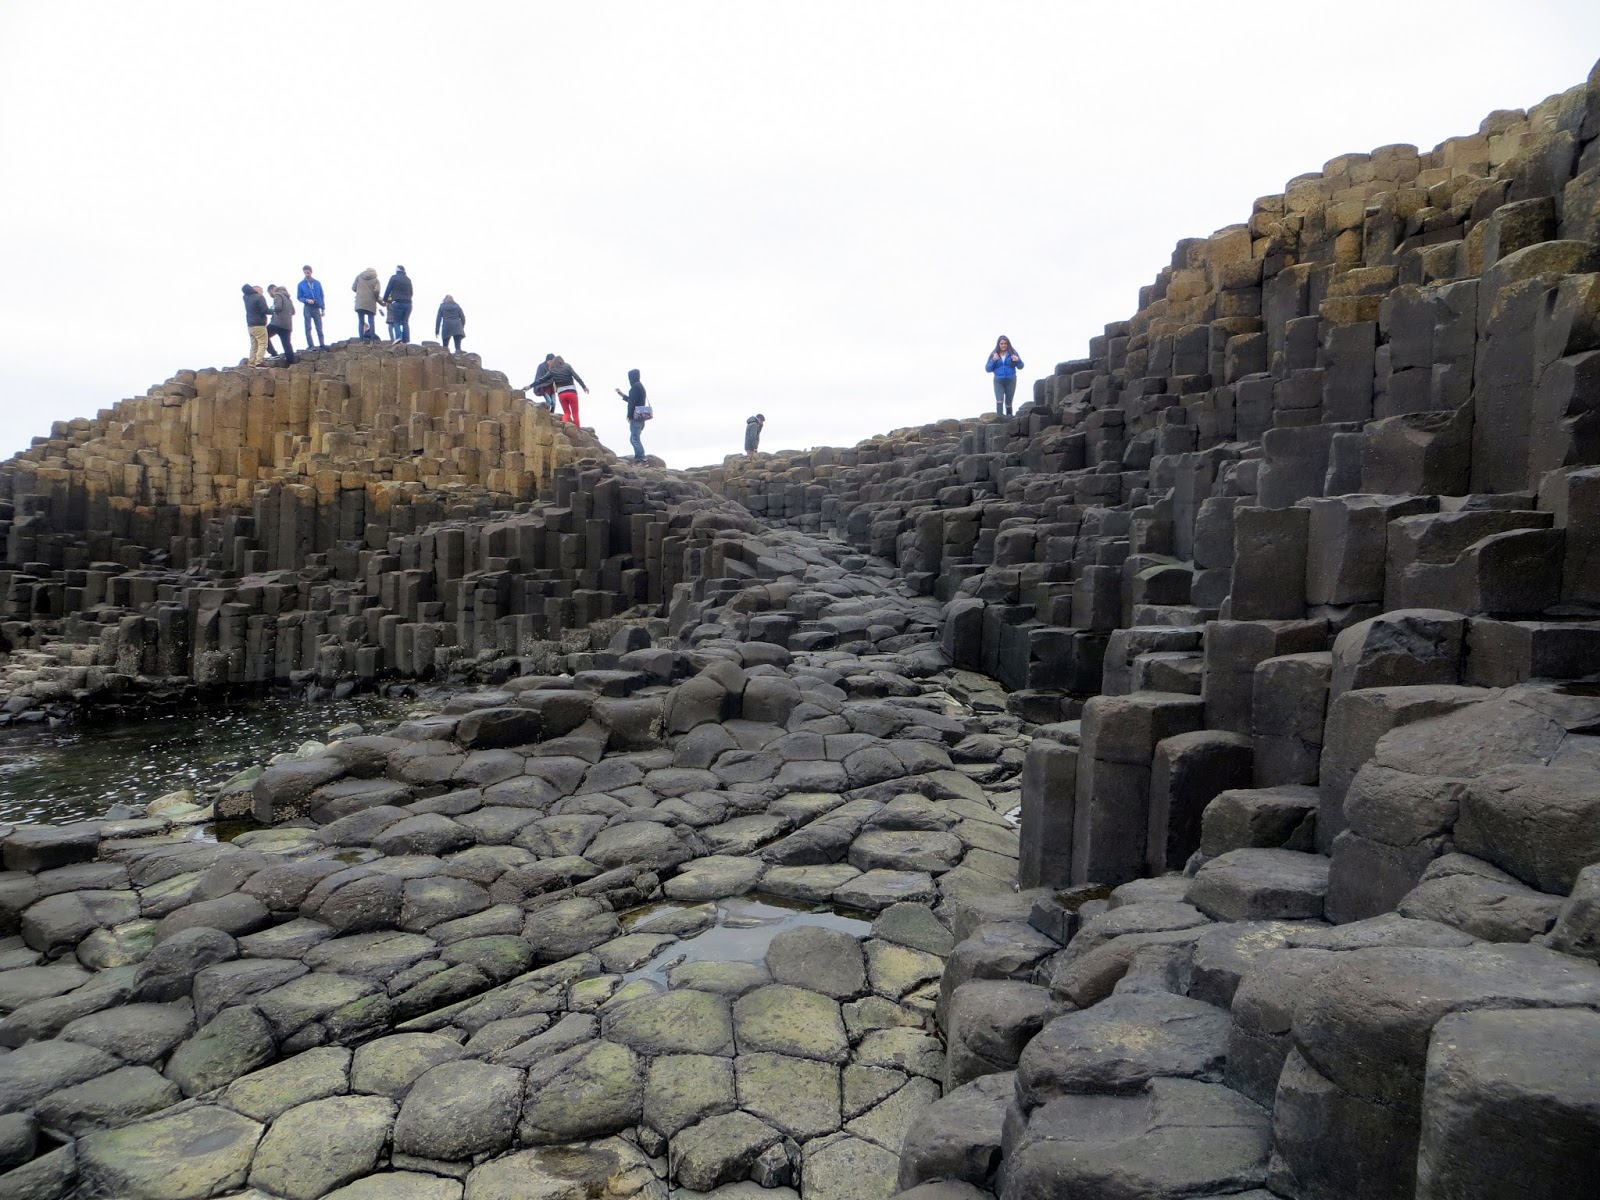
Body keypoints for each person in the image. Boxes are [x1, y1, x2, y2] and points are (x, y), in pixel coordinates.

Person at [985, 335, 1024, 416]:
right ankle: (1000, 418)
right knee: (999, 400)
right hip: (998, 380)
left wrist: (1018, 360)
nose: (1003, 345)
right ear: (998, 344)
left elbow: (1021, 366)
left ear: (1008, 344)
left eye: (1005, 343)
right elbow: (988, 369)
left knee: (1009, 402)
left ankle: (1009, 420)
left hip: (1011, 379)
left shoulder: (1013, 353)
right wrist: (993, 360)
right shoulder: (994, 354)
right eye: (1001, 343)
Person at [616, 368, 647, 463]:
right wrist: (622, 395)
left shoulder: (634, 387)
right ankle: (640, 458)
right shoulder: (640, 386)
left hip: (636, 416)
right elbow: (633, 400)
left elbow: (632, 403)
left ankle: (642, 459)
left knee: (635, 439)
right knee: (633, 438)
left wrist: (629, 416)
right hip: (641, 416)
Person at [546, 355, 587, 425]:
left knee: (567, 413)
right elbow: (577, 377)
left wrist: (530, 386)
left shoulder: (552, 370)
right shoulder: (567, 366)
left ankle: (563, 426)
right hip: (572, 392)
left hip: (561, 394)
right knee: (575, 414)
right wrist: (584, 386)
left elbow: (542, 379)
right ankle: (577, 431)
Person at [297, 265, 327, 350]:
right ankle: (311, 345)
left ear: (311, 272)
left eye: (308, 272)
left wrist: (323, 308)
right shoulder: (301, 284)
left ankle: (322, 344)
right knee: (308, 327)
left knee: (319, 326)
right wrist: (306, 300)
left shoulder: (317, 283)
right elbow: (299, 297)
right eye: (305, 272)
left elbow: (321, 296)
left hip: (316, 307)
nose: (306, 274)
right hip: (307, 307)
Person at [266, 285, 296, 366]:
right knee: (286, 344)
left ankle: (273, 354)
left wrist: (272, 308)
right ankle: (291, 362)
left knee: (263, 335)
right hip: (287, 325)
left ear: (272, 289)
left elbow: (278, 307)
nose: (270, 295)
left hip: (277, 323)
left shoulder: (277, 295)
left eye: (269, 293)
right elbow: (293, 311)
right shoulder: (288, 298)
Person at [382, 265, 413, 343]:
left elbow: (388, 289)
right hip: (408, 303)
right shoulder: (408, 279)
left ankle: (398, 337)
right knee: (405, 321)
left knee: (396, 321)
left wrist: (385, 299)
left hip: (398, 302)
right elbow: (411, 292)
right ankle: (407, 340)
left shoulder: (394, 277)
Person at [242, 284, 270, 366]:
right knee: (263, 343)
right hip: (259, 324)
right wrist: (274, 311)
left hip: (250, 325)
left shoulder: (245, 297)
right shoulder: (259, 298)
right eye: (261, 291)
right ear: (257, 290)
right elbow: (265, 310)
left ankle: (251, 362)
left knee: (254, 345)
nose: (262, 293)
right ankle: (259, 361)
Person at [353, 267, 381, 341]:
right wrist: (376, 297)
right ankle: (372, 340)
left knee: (361, 321)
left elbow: (353, 288)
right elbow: (377, 290)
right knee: (371, 321)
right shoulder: (376, 280)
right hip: (371, 302)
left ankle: (361, 340)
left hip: (360, 302)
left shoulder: (359, 277)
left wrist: (360, 291)